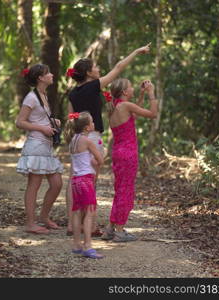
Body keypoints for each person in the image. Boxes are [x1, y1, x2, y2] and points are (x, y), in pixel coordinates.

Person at [65, 43, 151, 235]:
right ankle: (91, 225)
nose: (98, 69)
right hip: (92, 138)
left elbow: (70, 117)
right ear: (88, 73)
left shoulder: (73, 93)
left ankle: (72, 224)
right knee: (90, 182)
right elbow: (119, 67)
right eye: (95, 67)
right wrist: (136, 51)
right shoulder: (93, 86)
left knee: (75, 179)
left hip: (76, 138)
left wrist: (72, 140)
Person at [101, 78, 158, 242]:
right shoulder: (125, 106)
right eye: (131, 87)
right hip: (128, 154)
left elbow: (134, 113)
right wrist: (151, 93)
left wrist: (141, 94)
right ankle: (119, 231)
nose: (133, 88)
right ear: (125, 92)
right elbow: (152, 114)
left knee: (120, 190)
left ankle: (110, 229)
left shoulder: (115, 107)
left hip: (118, 153)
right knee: (126, 190)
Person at [16, 64, 63, 234]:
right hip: (36, 146)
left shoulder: (43, 95)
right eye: (48, 73)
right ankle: (30, 223)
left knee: (57, 183)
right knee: (34, 185)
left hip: (47, 147)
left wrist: (53, 122)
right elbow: (20, 122)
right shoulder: (31, 97)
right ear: (40, 78)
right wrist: (42, 128)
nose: (51, 75)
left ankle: (43, 217)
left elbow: (39, 117)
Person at [63, 111, 104, 259]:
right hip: (86, 180)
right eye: (92, 122)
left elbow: (79, 159)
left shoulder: (73, 140)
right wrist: (97, 158)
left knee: (76, 212)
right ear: (87, 127)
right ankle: (87, 245)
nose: (94, 124)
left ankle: (76, 244)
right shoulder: (87, 141)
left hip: (75, 181)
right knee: (89, 212)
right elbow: (100, 160)